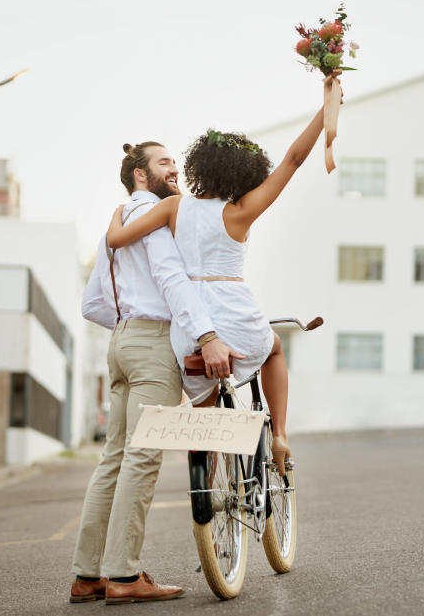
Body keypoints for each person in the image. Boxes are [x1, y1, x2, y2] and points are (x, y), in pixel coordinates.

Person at [105, 73, 340, 471]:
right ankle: (280, 434)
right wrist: (327, 109)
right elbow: (294, 160)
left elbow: (118, 240)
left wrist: (116, 216)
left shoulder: (173, 208)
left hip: (190, 323)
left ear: (200, 167)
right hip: (234, 310)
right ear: (243, 173)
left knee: (206, 415)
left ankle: (208, 499)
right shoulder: (241, 211)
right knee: (274, 349)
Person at [70, 141, 242, 605]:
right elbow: (171, 278)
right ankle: (124, 577)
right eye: (164, 161)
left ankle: (88, 576)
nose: (175, 168)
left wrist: (130, 325)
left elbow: (92, 304)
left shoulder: (121, 220)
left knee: (114, 459)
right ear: (140, 174)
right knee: (142, 458)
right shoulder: (159, 213)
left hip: (120, 342)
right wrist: (206, 336)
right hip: (149, 346)